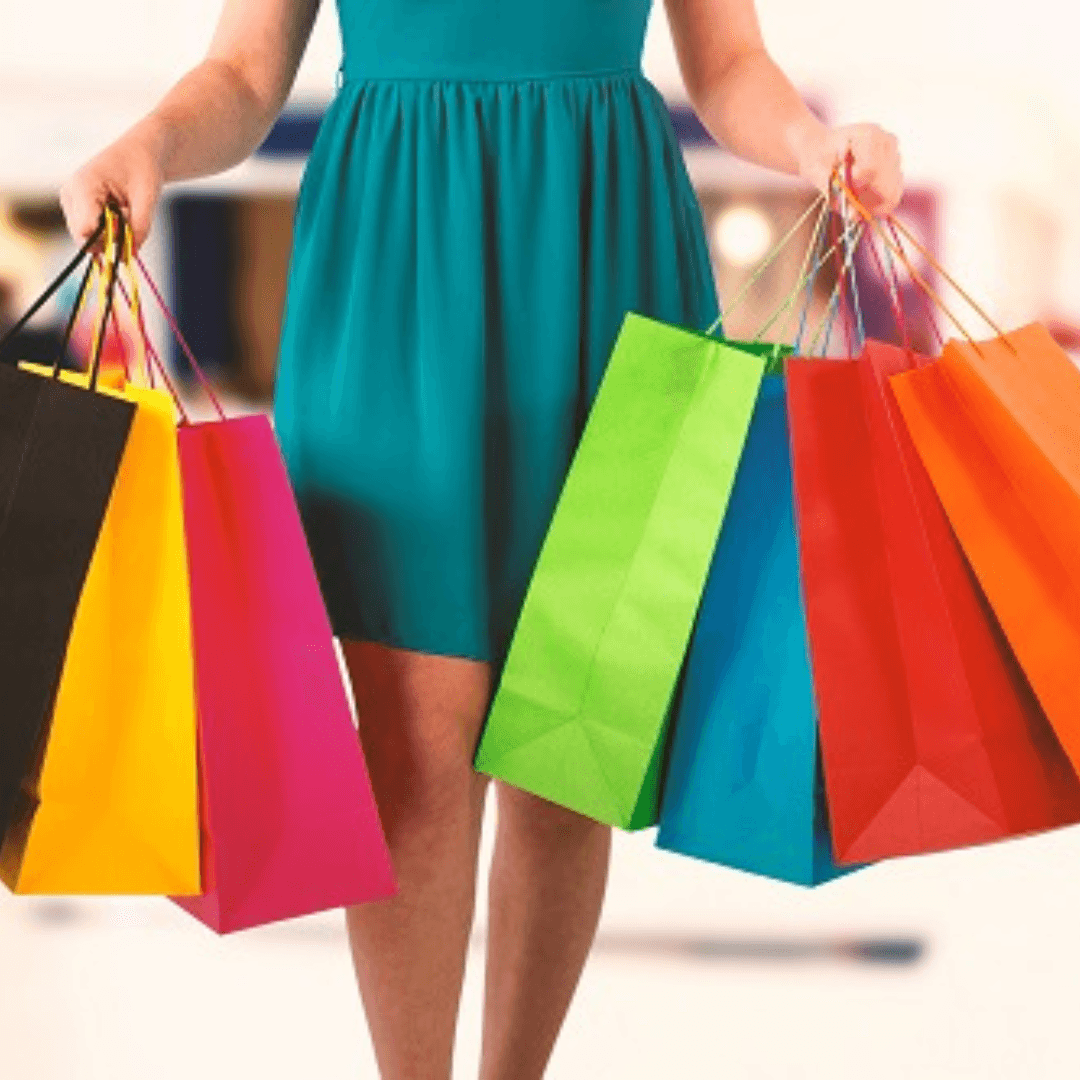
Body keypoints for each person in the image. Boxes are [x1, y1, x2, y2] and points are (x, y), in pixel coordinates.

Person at [60, 1, 903, 1077]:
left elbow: (730, 60)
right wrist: (153, 144)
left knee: (570, 748)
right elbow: (242, 70)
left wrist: (808, 143)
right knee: (416, 739)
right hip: (395, 266)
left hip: (606, 260)